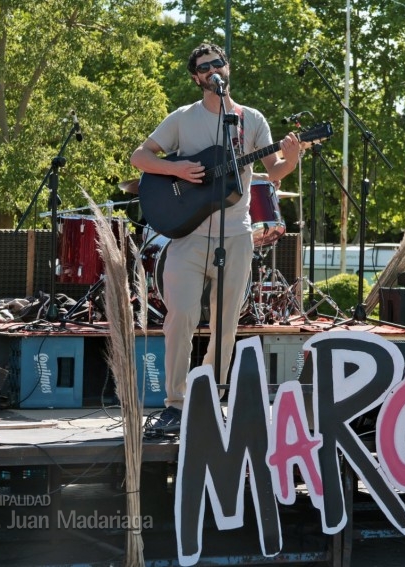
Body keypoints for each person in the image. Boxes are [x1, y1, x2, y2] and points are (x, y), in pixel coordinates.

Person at [130, 42, 300, 432]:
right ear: (196, 77)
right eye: (204, 67)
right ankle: (174, 403)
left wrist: (293, 154)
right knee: (182, 316)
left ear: (228, 67)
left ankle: (208, 397)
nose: (213, 70)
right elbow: (140, 156)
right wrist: (175, 170)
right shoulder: (182, 118)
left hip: (236, 235)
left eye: (217, 63)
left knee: (226, 324)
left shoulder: (251, 119)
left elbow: (273, 172)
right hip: (188, 235)